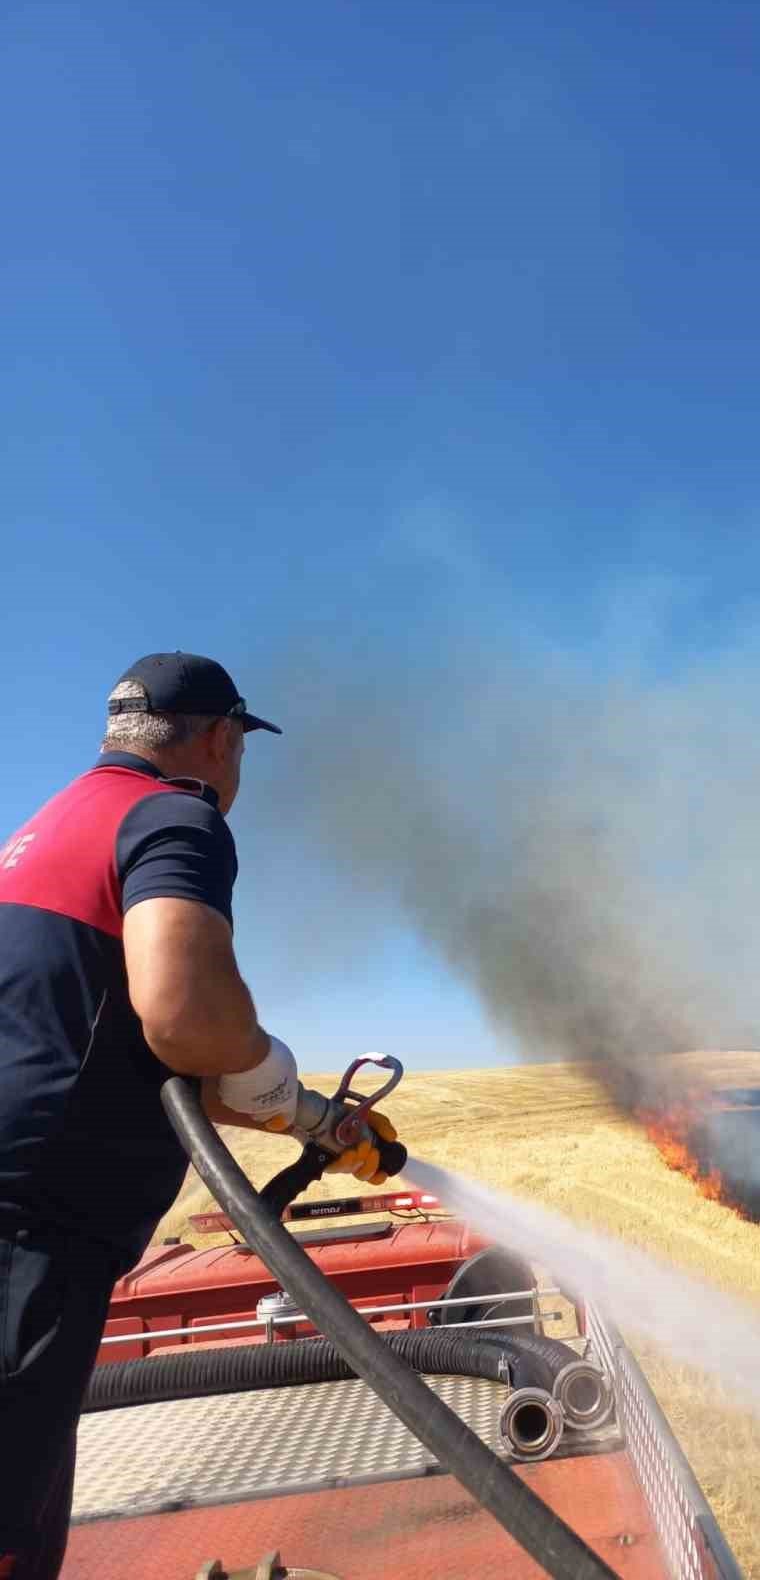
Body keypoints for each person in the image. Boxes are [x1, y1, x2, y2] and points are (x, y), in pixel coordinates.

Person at [0, 652, 391, 1580]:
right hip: (31, 1236)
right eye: (241, 747)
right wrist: (275, 1070)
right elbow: (183, 1014)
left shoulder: (37, 832)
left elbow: (134, 1044)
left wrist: (312, 1121)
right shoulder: (175, 814)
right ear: (221, 738)